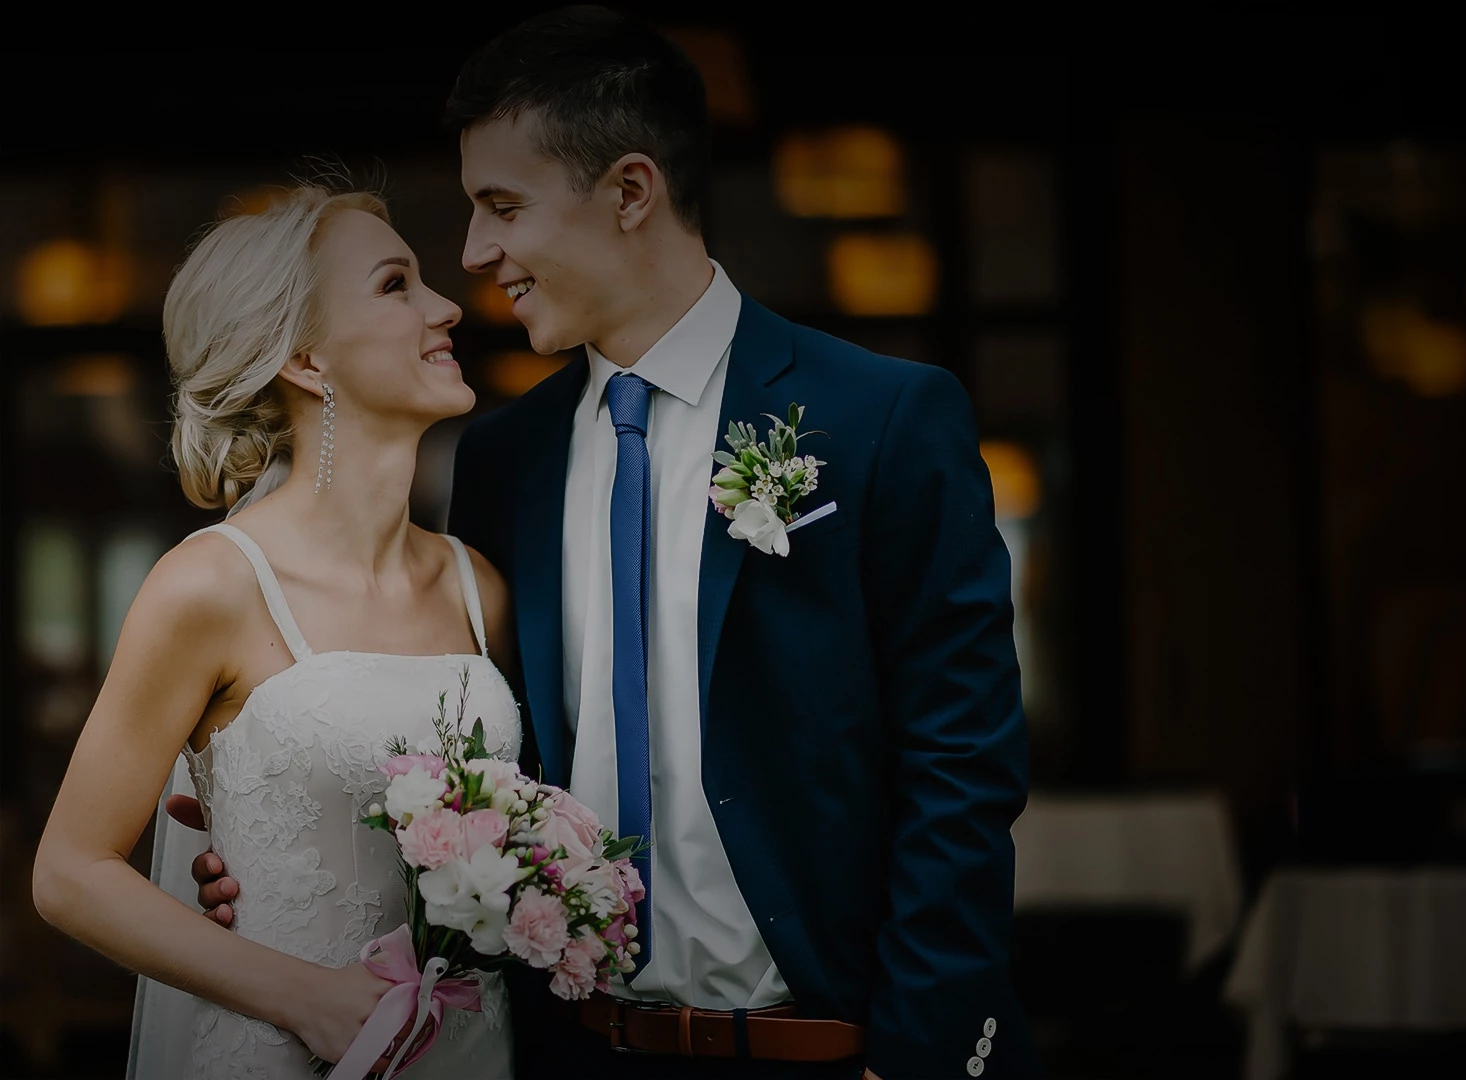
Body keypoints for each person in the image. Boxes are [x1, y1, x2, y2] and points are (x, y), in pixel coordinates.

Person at [181, 7, 1039, 1078]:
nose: (475, 252)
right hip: (569, 1053)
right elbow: (469, 763)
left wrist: (912, 1056)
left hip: (835, 1046)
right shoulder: (501, 463)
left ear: (631, 192)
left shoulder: (880, 420)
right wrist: (266, 846)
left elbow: (960, 765)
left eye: (502, 206)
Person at [33, 185, 520, 1078]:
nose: (447, 305)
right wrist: (310, 999)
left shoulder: (476, 586)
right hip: (288, 1050)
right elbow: (70, 873)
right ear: (305, 357)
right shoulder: (211, 584)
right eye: (395, 284)